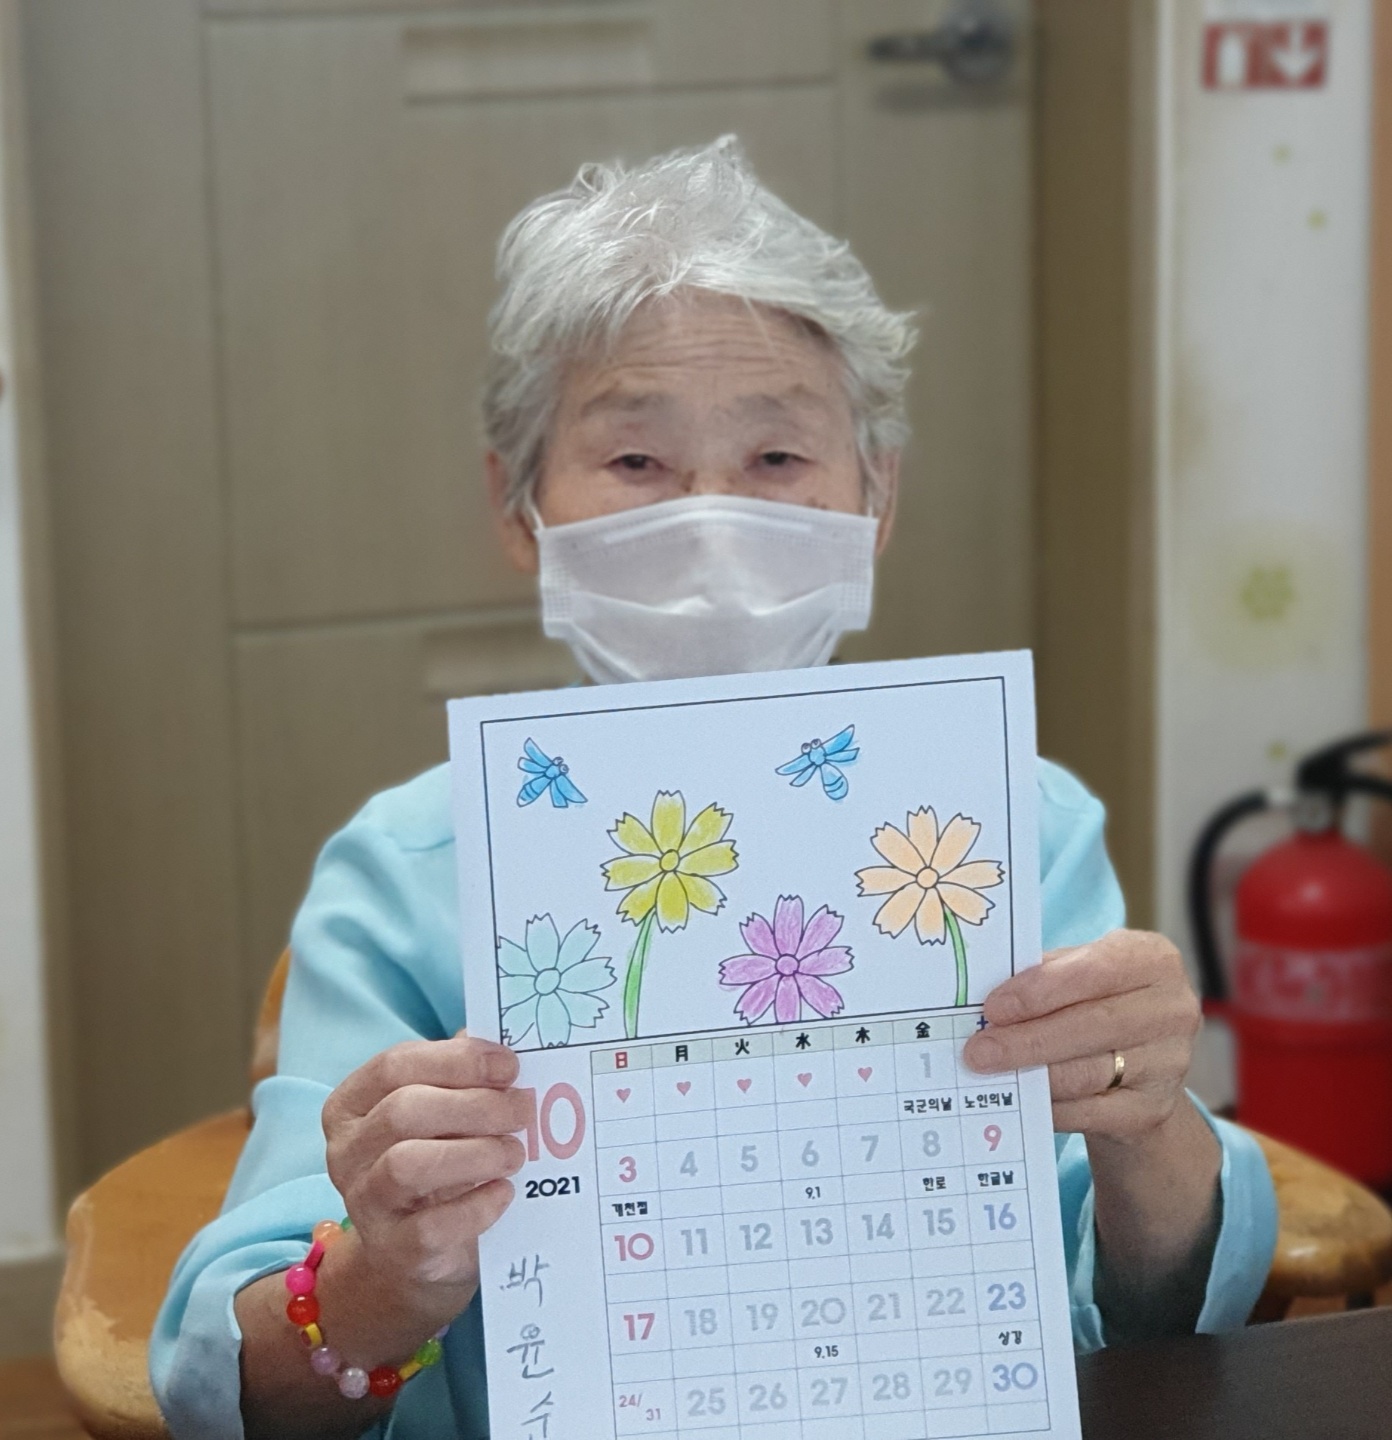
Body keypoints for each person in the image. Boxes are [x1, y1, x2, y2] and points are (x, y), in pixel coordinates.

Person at [152, 137, 1276, 1440]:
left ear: (877, 500)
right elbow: (233, 1378)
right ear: (519, 508)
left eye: (779, 459)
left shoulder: (1009, 827)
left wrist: (1149, 1127)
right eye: (635, 462)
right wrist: (385, 1278)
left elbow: (1150, 1311)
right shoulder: (408, 876)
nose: (710, 519)